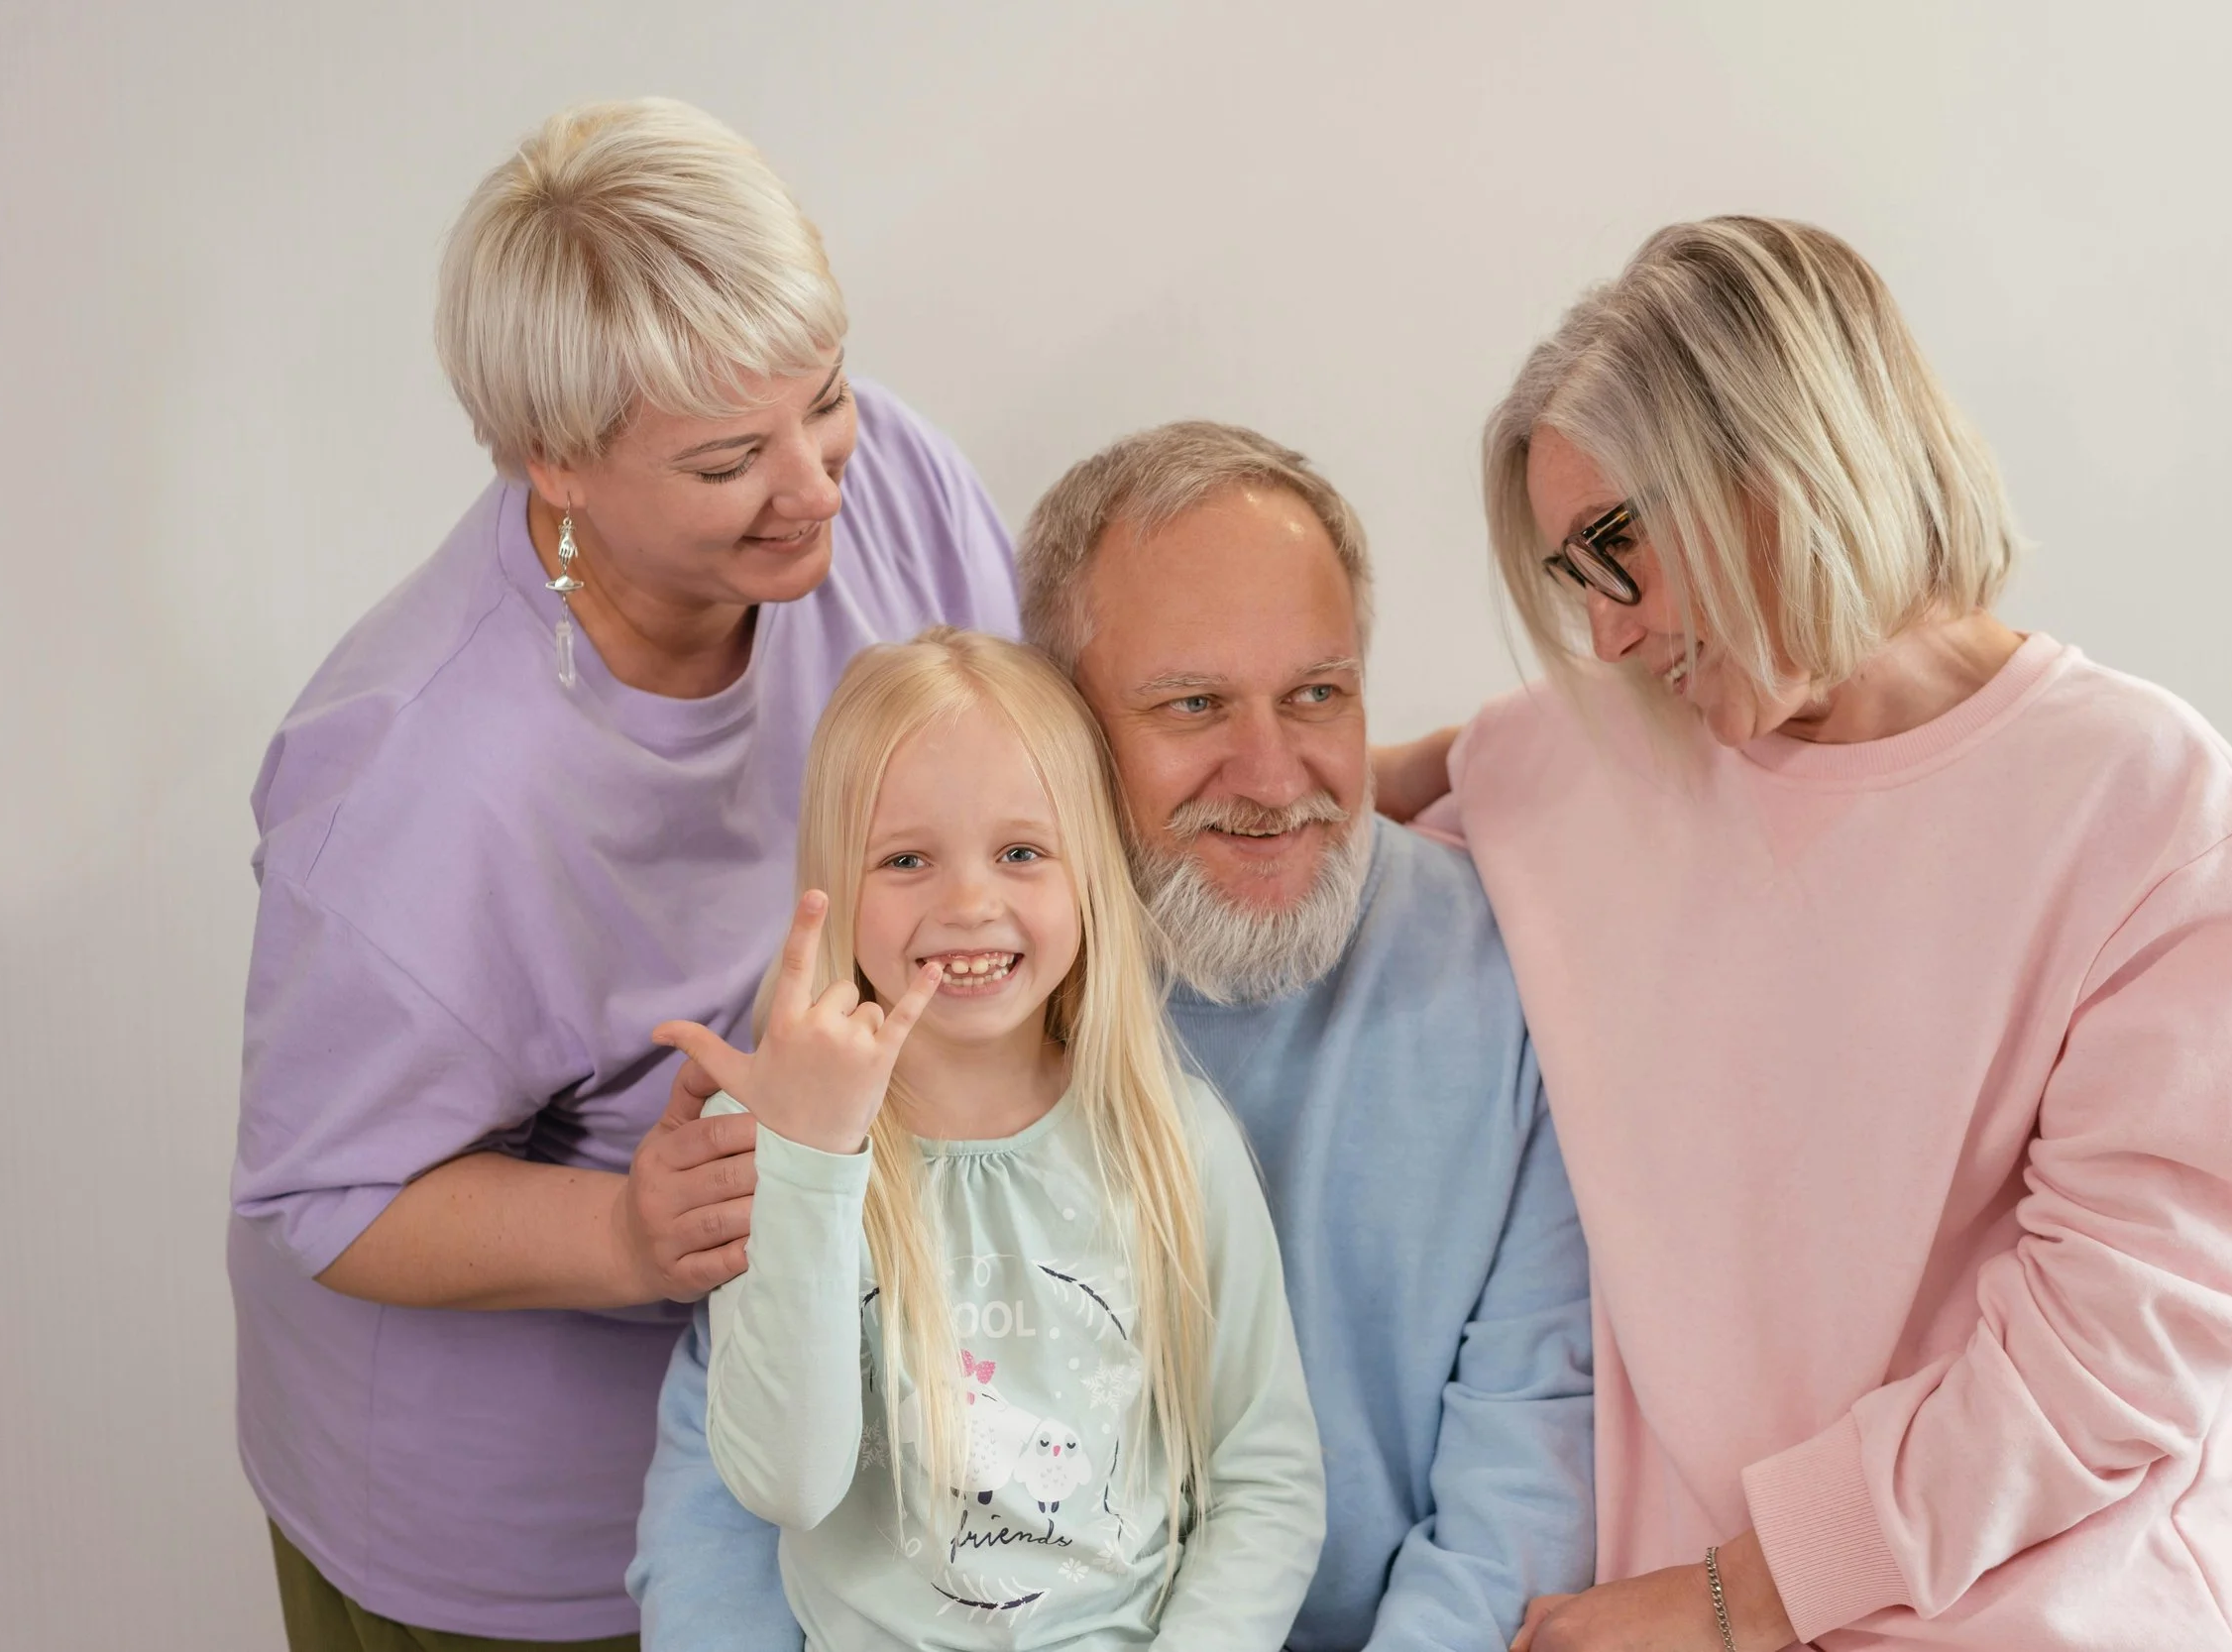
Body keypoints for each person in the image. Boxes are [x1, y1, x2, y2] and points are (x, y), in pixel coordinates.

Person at [1426, 216, 2232, 1651]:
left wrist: (1737, 1595)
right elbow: (1282, 785)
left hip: (2077, 1585)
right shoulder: (1592, 767)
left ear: (1780, 454)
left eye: (1622, 548)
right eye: (1574, 578)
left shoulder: (2147, 807)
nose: (1608, 635)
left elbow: (2117, 1343)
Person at [230, 99, 1017, 1649]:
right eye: (730, 458)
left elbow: (1024, 764)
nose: (818, 484)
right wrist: (621, 1236)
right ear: (558, 463)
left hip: (836, 1429)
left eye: (828, 398)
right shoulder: (415, 789)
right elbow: (326, 1196)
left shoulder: (879, 480)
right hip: (522, 1522)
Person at [629, 423, 1597, 1651]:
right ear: (1067, 727)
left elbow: (1526, 1450)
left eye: (1317, 693)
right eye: (1193, 703)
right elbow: (730, 1483)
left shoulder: (1496, 976)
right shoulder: (893, 1008)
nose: (1267, 769)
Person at [651, 628, 1326, 1648]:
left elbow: (1265, 1474)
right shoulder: (767, 1143)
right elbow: (785, 1482)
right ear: (832, 881)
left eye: (1020, 852)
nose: (969, 902)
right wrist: (815, 1159)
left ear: (1085, 872)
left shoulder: (1174, 1141)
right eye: (906, 858)